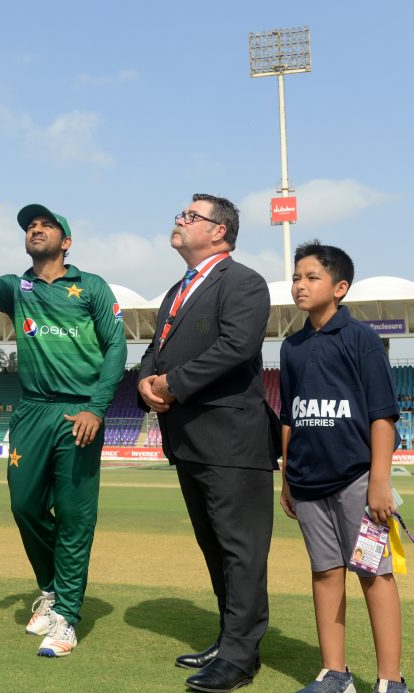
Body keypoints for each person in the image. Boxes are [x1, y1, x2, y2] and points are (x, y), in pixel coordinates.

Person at [0, 200, 125, 658]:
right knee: (24, 505)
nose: (36, 229)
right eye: (30, 226)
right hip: (33, 411)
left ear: (66, 241)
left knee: (75, 517)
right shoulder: (18, 288)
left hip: (79, 412)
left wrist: (97, 408)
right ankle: (52, 589)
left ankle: (67, 617)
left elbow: (117, 346)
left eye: (46, 225)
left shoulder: (91, 286)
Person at [137, 194, 278, 692]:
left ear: (219, 231)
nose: (179, 219)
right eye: (182, 213)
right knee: (214, 547)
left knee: (241, 552)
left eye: (191, 216)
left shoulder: (243, 282)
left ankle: (241, 657)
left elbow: (236, 347)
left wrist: (172, 384)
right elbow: (156, 348)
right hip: (188, 440)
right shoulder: (178, 289)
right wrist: (144, 380)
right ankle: (229, 639)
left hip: (232, 441)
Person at [279, 241, 408, 693]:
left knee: (374, 574)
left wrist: (379, 482)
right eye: (297, 277)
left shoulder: (361, 339)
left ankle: (391, 680)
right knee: (325, 573)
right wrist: (286, 479)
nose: (300, 285)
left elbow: (382, 415)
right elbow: (290, 417)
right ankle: (335, 674)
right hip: (306, 484)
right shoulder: (291, 347)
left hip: (357, 481)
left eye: (311, 277)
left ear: (340, 287)